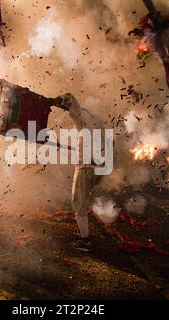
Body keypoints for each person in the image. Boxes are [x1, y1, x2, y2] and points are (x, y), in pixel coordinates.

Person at [61, 93, 104, 253]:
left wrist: (65, 100)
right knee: (82, 199)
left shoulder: (83, 119)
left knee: (78, 201)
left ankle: (85, 241)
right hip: (96, 166)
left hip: (86, 167)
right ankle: (83, 232)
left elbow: (74, 110)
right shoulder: (95, 122)